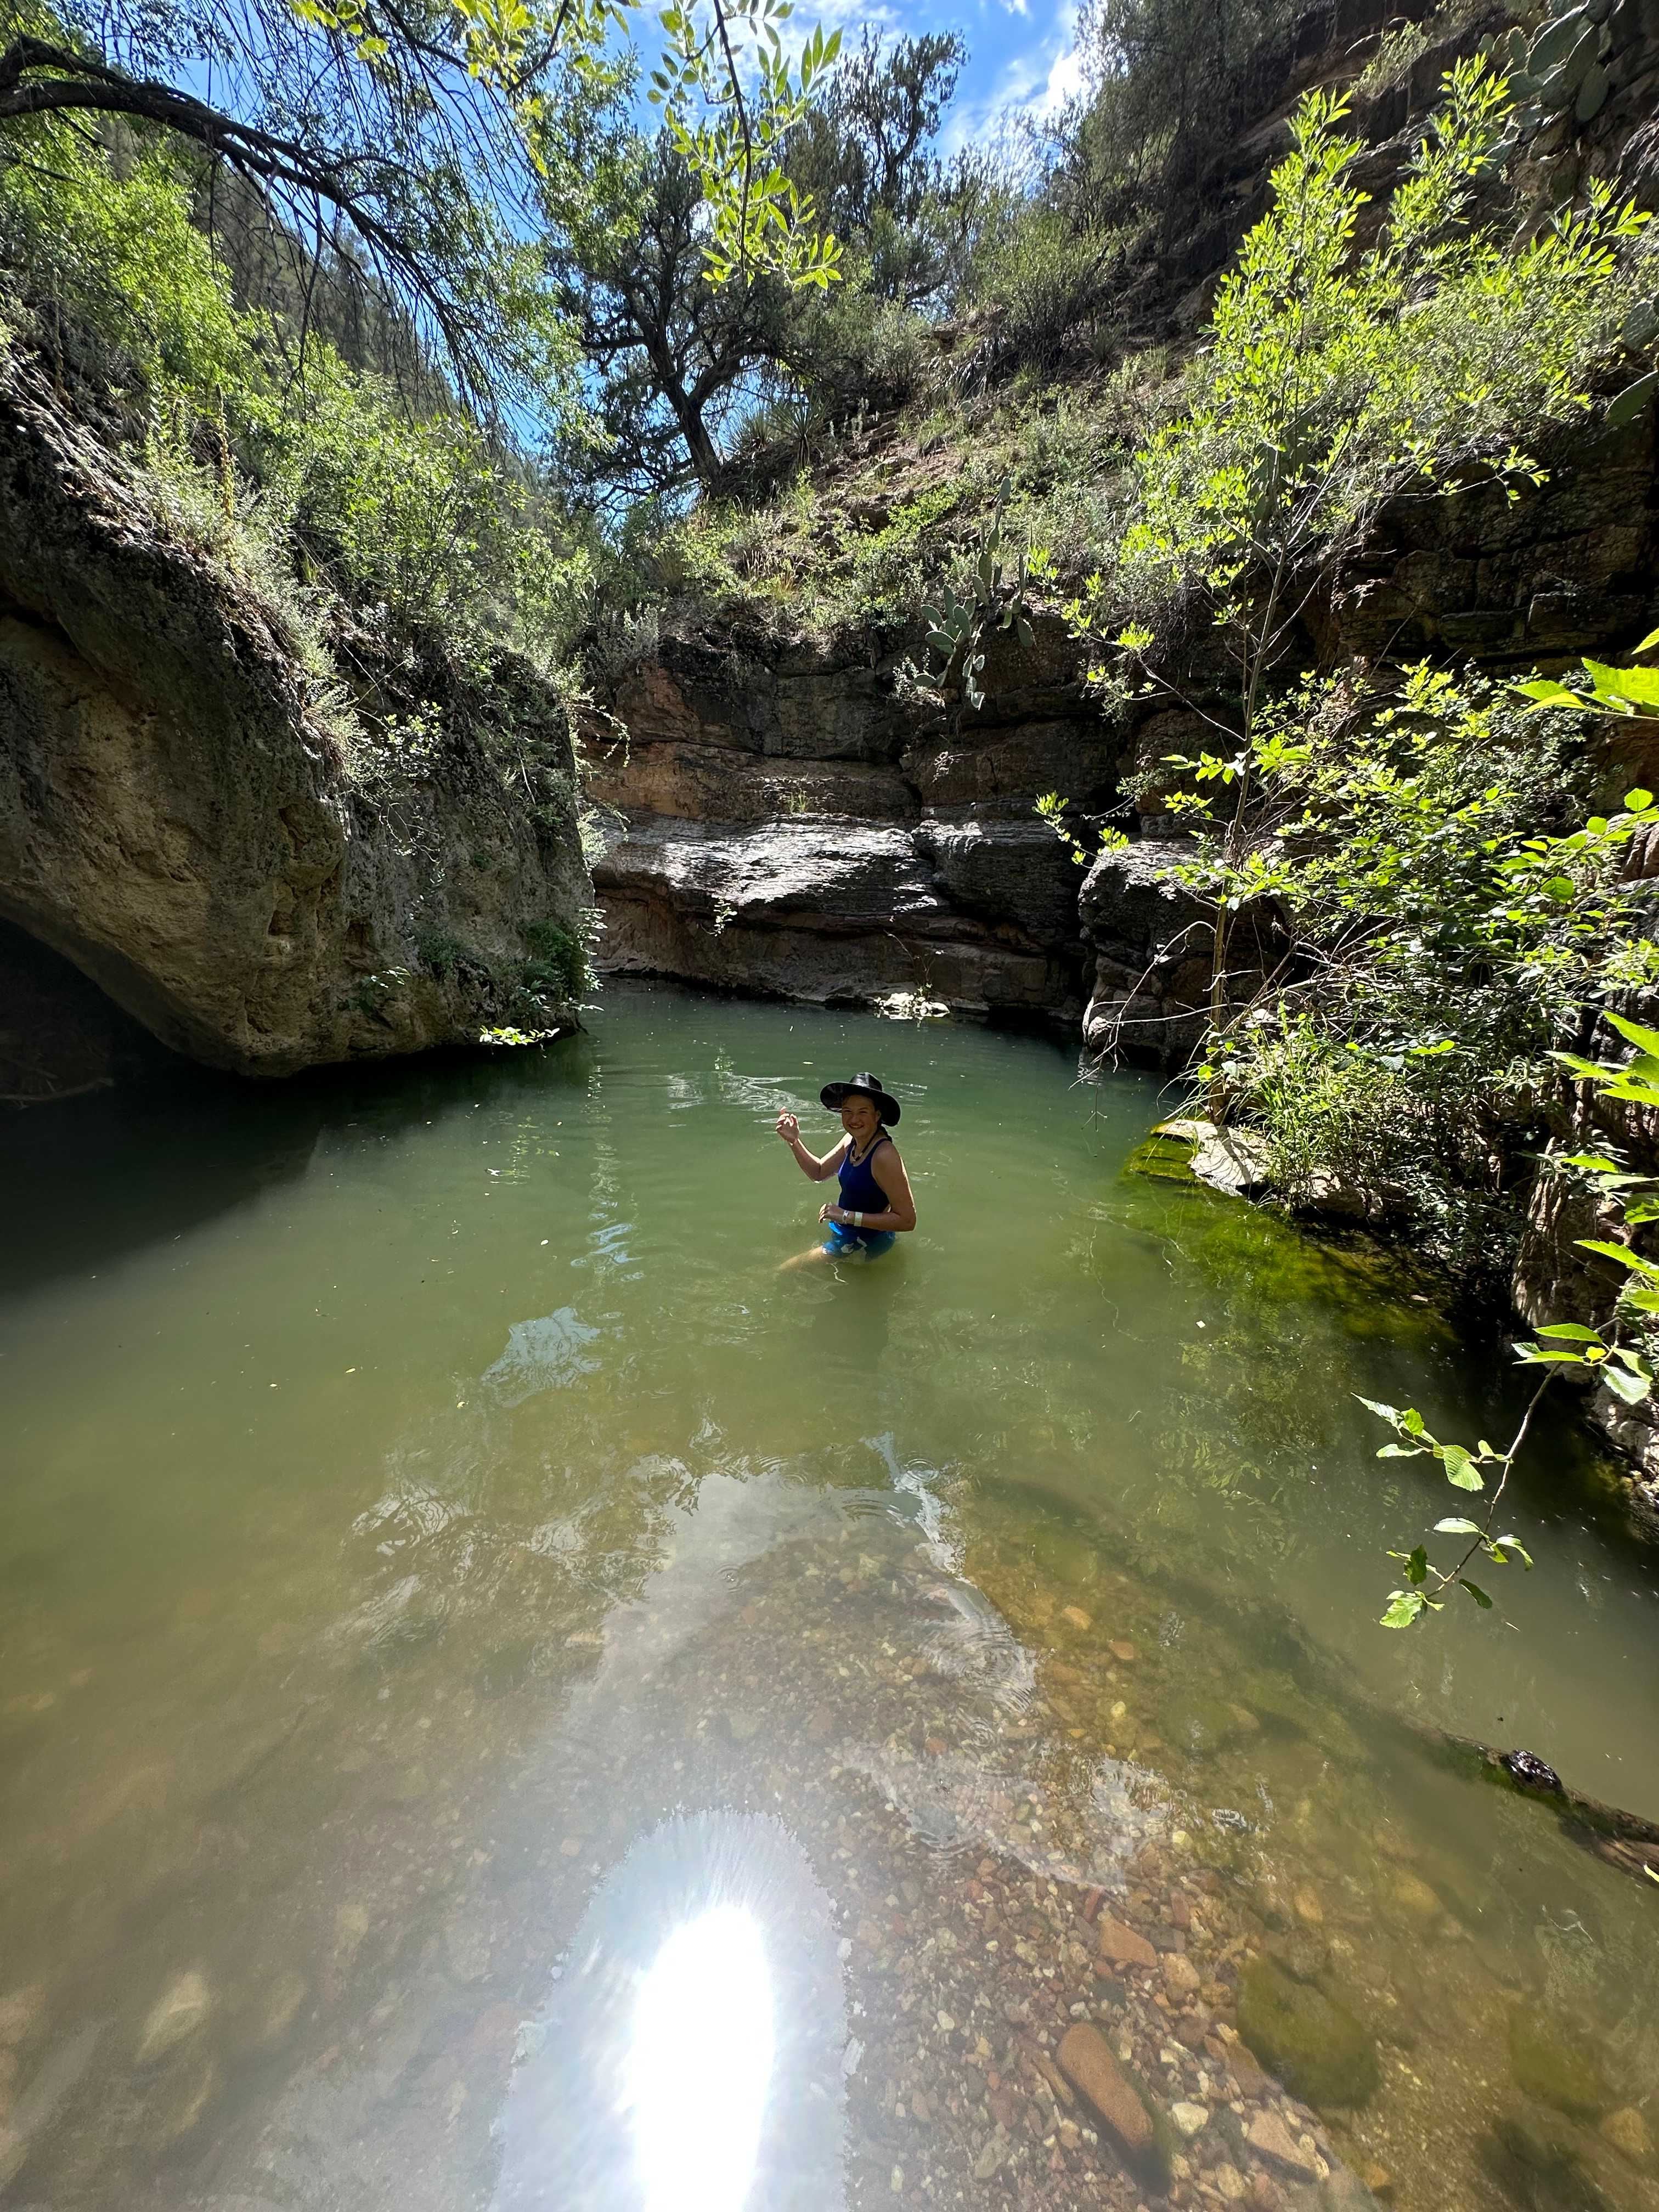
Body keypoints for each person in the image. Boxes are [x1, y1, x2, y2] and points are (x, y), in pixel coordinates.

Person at [775, 1071, 917, 1263]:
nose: (854, 1119)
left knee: (785, 1271)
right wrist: (794, 1141)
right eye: (848, 1111)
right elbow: (818, 1172)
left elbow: (908, 1220)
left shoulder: (885, 1155)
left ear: (877, 1115)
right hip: (846, 1232)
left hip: (864, 1242)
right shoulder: (851, 1141)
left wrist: (846, 1216)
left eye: (863, 1112)